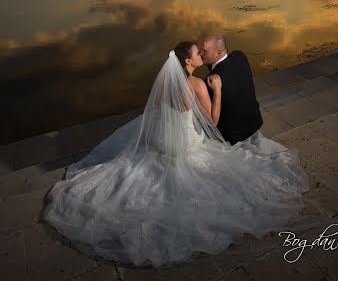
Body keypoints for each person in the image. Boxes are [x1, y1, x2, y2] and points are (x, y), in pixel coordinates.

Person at [41, 41, 310, 268]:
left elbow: (157, 112)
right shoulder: (196, 85)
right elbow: (212, 122)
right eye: (196, 53)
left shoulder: (165, 84)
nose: (200, 56)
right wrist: (217, 91)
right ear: (188, 61)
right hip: (184, 144)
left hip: (161, 140)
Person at [200, 33, 263, 144]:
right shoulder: (240, 56)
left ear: (218, 53)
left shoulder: (208, 83)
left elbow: (211, 120)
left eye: (204, 51)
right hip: (254, 122)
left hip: (232, 134)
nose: (201, 54)